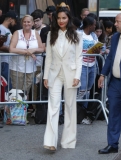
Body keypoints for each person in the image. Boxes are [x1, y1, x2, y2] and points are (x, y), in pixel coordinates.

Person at [43, 2, 82, 151]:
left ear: (69, 18)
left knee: (70, 107)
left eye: (64, 18)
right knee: (53, 107)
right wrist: (46, 76)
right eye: (58, 18)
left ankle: (68, 141)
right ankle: (50, 141)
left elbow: (79, 57)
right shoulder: (51, 34)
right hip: (54, 73)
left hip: (71, 73)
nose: (61, 21)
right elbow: (49, 57)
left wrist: (78, 75)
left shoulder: (77, 35)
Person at [98, 13, 121, 154]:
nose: (115, 24)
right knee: (114, 113)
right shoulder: (114, 38)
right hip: (115, 82)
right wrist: (103, 74)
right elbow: (110, 58)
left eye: (118, 21)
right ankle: (113, 144)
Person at [9, 15, 44, 98]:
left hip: (31, 68)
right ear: (22, 23)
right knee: (17, 92)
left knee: (25, 92)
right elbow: (11, 49)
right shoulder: (17, 33)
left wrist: (33, 50)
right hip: (17, 67)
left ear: (32, 23)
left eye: (28, 22)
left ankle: (23, 110)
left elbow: (42, 49)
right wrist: (27, 52)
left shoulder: (35, 33)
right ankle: (16, 110)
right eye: (24, 22)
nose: (26, 23)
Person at [77, 16, 99, 125]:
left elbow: (99, 47)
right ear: (89, 25)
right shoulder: (78, 34)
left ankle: (84, 111)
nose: (95, 26)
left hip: (92, 64)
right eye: (94, 24)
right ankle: (79, 110)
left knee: (88, 89)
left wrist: (99, 49)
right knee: (82, 89)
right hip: (82, 64)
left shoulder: (94, 35)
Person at [0, 11, 17, 92]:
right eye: (14, 21)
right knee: (5, 85)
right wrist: (11, 49)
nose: (14, 24)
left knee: (6, 85)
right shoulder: (1, 28)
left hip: (6, 61)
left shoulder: (7, 30)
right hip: (2, 61)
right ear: (11, 19)